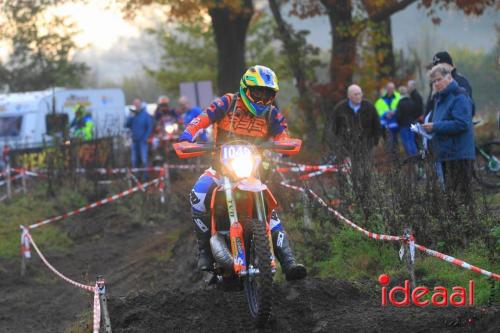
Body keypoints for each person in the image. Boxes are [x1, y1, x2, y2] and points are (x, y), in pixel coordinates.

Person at [178, 65, 307, 281]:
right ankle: (204, 253)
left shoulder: (272, 114)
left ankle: (289, 261)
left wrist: (285, 146)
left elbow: (282, 135)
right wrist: (187, 136)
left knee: (270, 211)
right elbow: (201, 119)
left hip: (250, 174)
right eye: (257, 93)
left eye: (267, 94)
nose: (261, 99)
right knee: (197, 196)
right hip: (220, 171)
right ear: (245, 89)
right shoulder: (227, 103)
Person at [423, 64, 475, 195]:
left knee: (462, 198)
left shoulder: (459, 96)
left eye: (439, 79)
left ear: (449, 77)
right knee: (451, 200)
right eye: (434, 81)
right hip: (445, 154)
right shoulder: (439, 98)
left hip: (459, 155)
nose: (436, 83)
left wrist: (435, 126)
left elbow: (462, 124)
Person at [327, 84, 381, 158]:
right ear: (349, 96)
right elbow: (333, 127)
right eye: (356, 94)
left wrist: (375, 141)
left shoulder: (369, 107)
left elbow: (377, 125)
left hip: (366, 146)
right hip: (346, 148)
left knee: (365, 168)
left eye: (360, 94)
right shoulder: (340, 109)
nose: (358, 96)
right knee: (349, 168)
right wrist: (336, 144)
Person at [425, 51, 474, 116]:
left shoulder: (461, 81)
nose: (438, 68)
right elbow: (431, 108)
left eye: (441, 65)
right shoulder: (435, 83)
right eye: (435, 66)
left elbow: (467, 108)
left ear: (450, 65)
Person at [126, 98, 154, 175]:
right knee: (134, 160)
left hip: (143, 141)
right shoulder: (133, 115)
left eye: (138, 103)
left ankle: (145, 176)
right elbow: (127, 125)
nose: (136, 105)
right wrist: (130, 116)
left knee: (144, 159)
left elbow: (149, 127)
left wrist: (145, 138)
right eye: (135, 103)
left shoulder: (145, 115)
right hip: (134, 141)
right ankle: (136, 177)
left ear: (140, 104)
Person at [375, 82, 400, 151]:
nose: (391, 90)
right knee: (388, 143)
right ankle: (390, 158)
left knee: (396, 143)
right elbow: (377, 111)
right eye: (389, 88)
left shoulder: (398, 97)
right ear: (386, 89)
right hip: (385, 125)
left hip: (397, 124)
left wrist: (394, 112)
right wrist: (386, 114)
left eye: (392, 88)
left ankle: (396, 157)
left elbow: (401, 107)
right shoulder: (380, 100)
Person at [395, 86, 418, 157]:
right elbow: (415, 113)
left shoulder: (400, 103)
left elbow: (398, 116)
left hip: (403, 125)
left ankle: (411, 157)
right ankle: (416, 157)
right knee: (412, 141)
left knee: (406, 142)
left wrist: (398, 123)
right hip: (412, 124)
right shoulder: (411, 101)